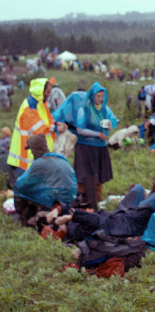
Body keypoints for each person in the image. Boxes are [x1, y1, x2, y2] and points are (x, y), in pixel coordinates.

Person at [7, 78, 67, 186]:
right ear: (40, 92)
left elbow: (47, 121)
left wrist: (56, 124)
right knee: (25, 184)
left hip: (36, 151)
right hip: (26, 151)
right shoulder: (29, 106)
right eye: (48, 92)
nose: (49, 95)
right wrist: (55, 128)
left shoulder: (41, 104)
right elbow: (37, 128)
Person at [14, 134, 77, 228]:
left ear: (34, 149)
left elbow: (22, 184)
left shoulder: (40, 163)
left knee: (17, 189)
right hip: (69, 200)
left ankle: (29, 220)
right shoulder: (60, 158)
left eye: (31, 151)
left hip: (55, 199)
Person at [62, 184, 155, 242]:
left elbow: (65, 209)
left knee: (138, 188)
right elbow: (96, 220)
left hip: (119, 213)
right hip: (129, 222)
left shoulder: (72, 225)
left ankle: (147, 211)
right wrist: (71, 217)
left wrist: (65, 216)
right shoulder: (77, 231)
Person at [74, 82, 118, 210]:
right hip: (85, 147)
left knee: (98, 175)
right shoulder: (84, 109)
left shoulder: (105, 109)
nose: (100, 99)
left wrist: (109, 125)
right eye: (98, 96)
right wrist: (98, 134)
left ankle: (97, 200)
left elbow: (113, 120)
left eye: (102, 96)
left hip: (100, 147)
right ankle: (81, 200)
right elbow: (80, 130)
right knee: (83, 175)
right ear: (92, 96)